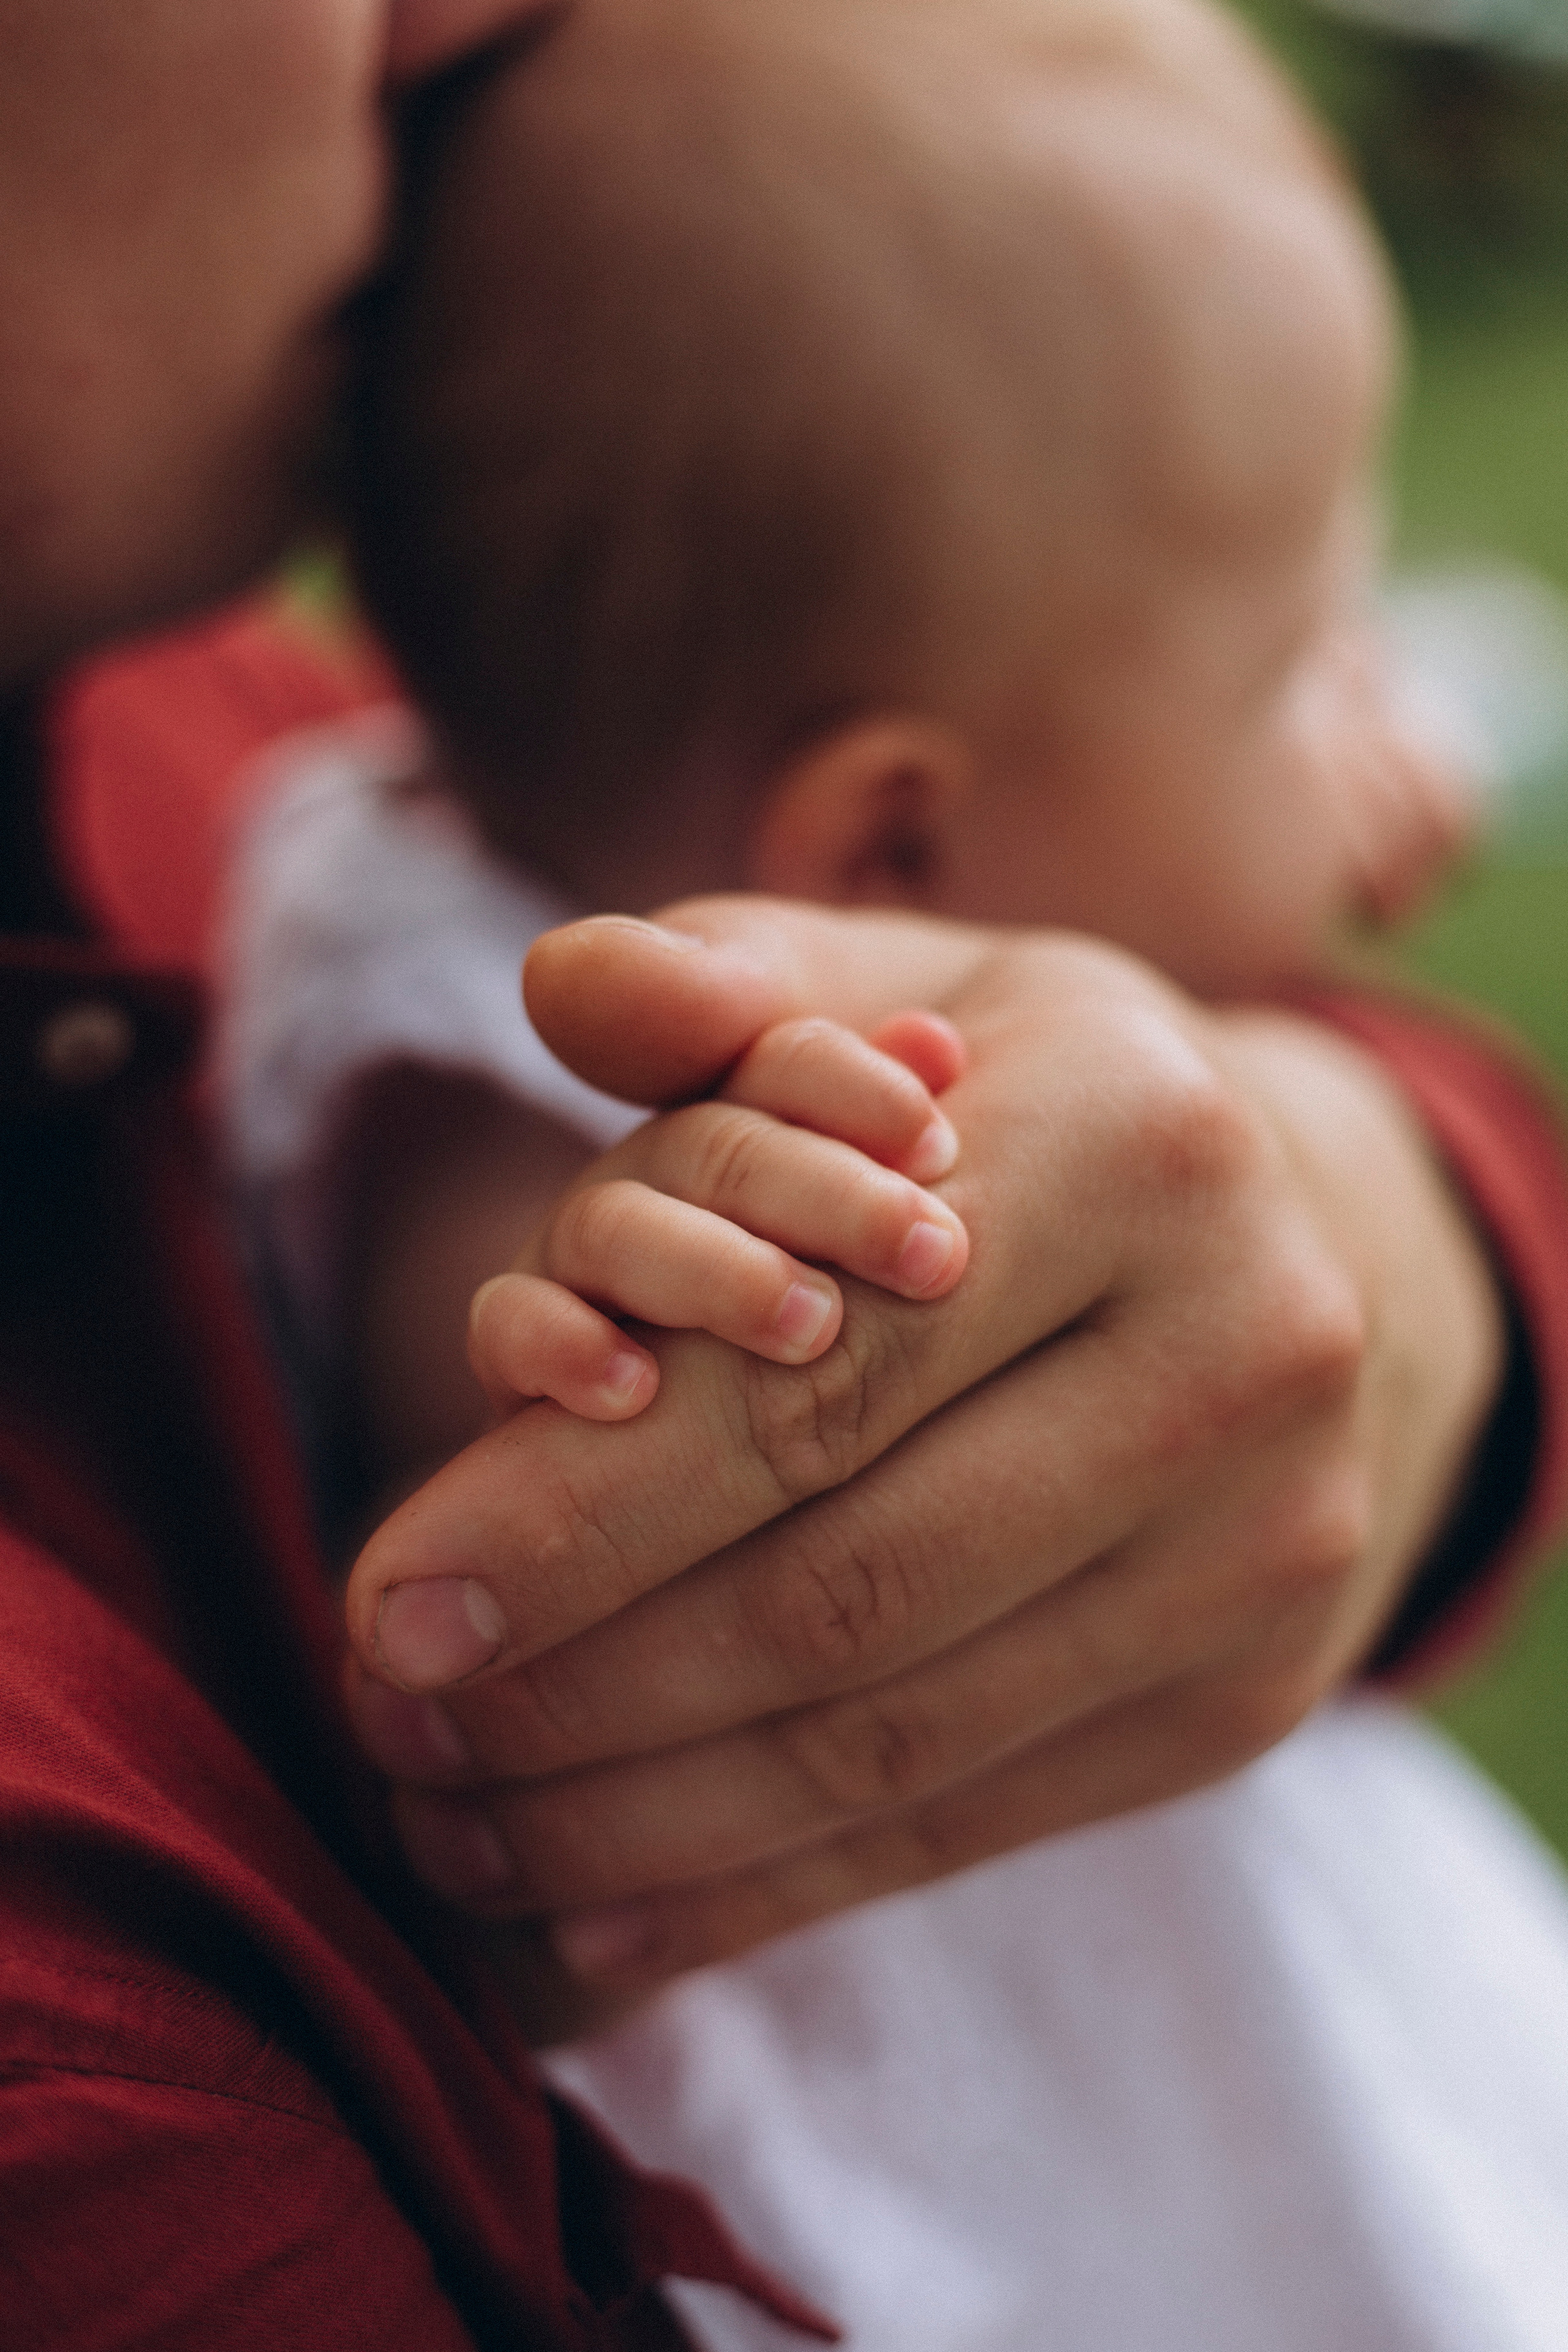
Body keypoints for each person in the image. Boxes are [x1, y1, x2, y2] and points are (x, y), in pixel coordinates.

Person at [4, 0, 1568, 2345]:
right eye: (1301, 662)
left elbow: (1384, 1146)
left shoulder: (248, 745)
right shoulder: (664, 1079)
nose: (1401, 746)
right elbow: (528, 1522)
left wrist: (1385, 1215)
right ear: (888, 845)